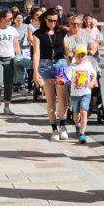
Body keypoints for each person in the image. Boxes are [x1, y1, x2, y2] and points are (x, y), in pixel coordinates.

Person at [31, 8, 70, 141]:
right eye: (50, 21)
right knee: (50, 99)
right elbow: (36, 54)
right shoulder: (38, 34)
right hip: (45, 66)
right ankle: (54, 129)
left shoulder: (62, 32)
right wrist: (36, 72)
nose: (53, 23)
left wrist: (74, 54)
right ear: (44, 19)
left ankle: (63, 125)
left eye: (55, 20)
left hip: (60, 66)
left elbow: (67, 50)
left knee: (62, 97)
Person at [66, 46, 97, 143]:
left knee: (84, 113)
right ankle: (77, 126)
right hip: (75, 94)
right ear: (75, 55)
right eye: (79, 55)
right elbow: (67, 77)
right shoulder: (72, 67)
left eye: (83, 55)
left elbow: (94, 74)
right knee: (76, 115)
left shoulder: (88, 65)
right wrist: (63, 80)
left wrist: (92, 82)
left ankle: (82, 133)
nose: (81, 57)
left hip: (86, 93)